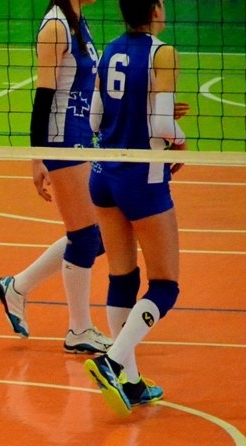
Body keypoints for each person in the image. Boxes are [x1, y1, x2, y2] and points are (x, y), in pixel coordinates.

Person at [84, 0, 187, 416]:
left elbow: (95, 120)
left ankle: (130, 380)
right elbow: (161, 127)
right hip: (142, 176)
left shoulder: (109, 49)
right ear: (156, 9)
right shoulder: (163, 53)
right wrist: (180, 139)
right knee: (165, 285)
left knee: (122, 276)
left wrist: (141, 113)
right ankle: (112, 361)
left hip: (103, 173)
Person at [0, 0, 112, 355]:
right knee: (86, 235)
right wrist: (37, 157)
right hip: (62, 138)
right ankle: (79, 329)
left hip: (82, 136)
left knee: (99, 234)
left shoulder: (77, 20)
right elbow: (43, 96)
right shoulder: (56, 26)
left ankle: (18, 286)